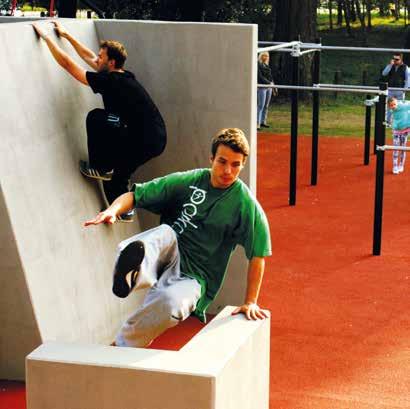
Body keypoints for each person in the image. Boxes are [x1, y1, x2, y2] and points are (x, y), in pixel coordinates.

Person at [84, 128, 271, 348]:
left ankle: (121, 346)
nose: (228, 170)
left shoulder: (244, 204)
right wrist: (112, 211)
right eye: (222, 161)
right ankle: (131, 273)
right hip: (167, 254)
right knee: (165, 232)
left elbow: (259, 252)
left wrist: (250, 302)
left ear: (243, 165)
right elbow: (136, 196)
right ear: (211, 158)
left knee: (170, 305)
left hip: (195, 277)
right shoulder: (189, 180)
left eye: (236, 164)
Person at [32, 21, 167, 221]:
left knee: (96, 117)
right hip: (156, 137)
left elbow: (70, 66)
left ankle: (100, 166)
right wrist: (67, 36)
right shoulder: (122, 75)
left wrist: (47, 38)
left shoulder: (111, 81)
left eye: (102, 57)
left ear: (111, 62)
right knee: (117, 178)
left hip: (139, 135)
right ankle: (123, 212)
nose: (97, 59)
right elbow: (91, 57)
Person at [382, 53, 410, 125]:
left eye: (397, 59)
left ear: (401, 60)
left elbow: (408, 78)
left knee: (400, 106)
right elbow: (384, 73)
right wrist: (390, 65)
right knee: (389, 106)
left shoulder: (405, 67)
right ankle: (388, 122)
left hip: (400, 90)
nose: (395, 61)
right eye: (394, 59)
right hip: (391, 89)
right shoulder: (391, 66)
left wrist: (405, 89)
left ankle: (399, 122)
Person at [387, 97, 410, 174]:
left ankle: (401, 165)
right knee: (395, 149)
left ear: (397, 103)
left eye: (394, 104)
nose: (393, 106)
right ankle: (395, 166)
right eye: (391, 105)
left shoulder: (403, 106)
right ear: (389, 106)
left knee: (403, 148)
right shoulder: (392, 110)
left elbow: (408, 105)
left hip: (405, 130)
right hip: (396, 131)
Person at [257, 52, 277, 131]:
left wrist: (274, 86)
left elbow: (270, 76)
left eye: (267, 56)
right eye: (264, 55)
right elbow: (259, 77)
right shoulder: (258, 65)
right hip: (262, 87)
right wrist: (269, 83)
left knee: (266, 105)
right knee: (260, 105)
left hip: (269, 87)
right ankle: (257, 123)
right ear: (261, 56)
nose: (266, 57)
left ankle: (263, 122)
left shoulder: (267, 65)